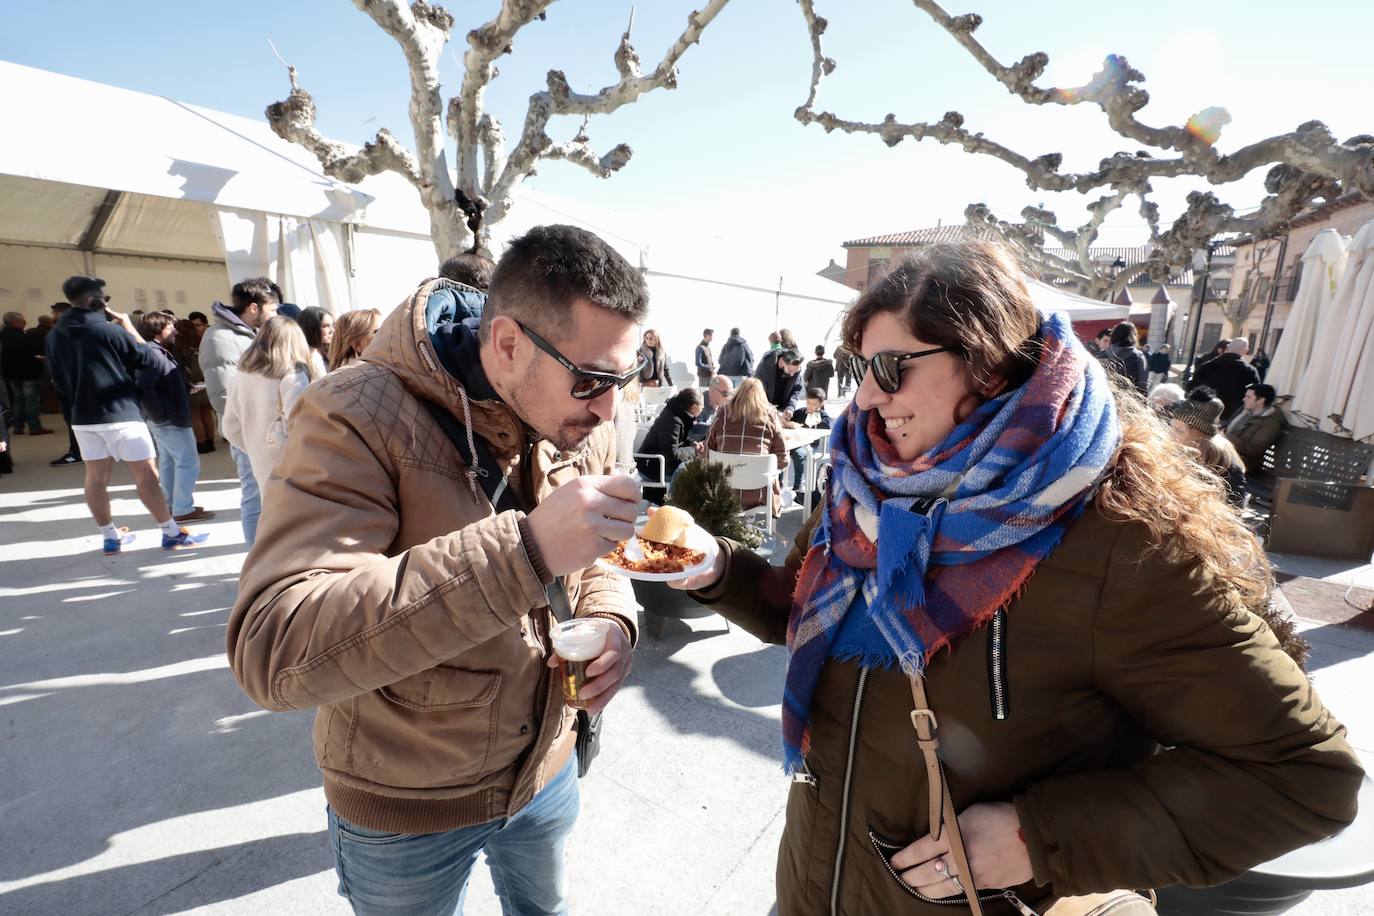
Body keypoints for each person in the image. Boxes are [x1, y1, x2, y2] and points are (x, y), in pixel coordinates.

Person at [669, 240, 1360, 915]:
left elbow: (1303, 777)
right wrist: (715, 567)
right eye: (861, 368)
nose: (868, 399)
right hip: (817, 885)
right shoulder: (862, 488)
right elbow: (802, 614)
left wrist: (1040, 839)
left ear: (987, 366)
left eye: (892, 366)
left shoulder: (1120, 544)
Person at [227, 224, 643, 916]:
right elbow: (275, 647)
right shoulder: (354, 412)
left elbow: (600, 555)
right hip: (405, 807)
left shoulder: (577, 421)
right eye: (592, 381)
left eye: (623, 381)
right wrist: (525, 552)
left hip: (547, 769)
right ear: (508, 344)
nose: (608, 409)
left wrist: (612, 618)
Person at [46, 277, 208, 554]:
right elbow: (148, 359)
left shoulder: (54, 335)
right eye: (105, 300)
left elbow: (57, 380)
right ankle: (170, 532)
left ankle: (109, 536)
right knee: (146, 474)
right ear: (93, 301)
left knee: (95, 477)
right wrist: (128, 326)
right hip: (121, 413)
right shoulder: (108, 331)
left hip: (83, 417)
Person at [202, 278, 278, 546]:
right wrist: (251, 437)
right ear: (254, 308)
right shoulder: (220, 338)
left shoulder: (248, 335)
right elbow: (224, 397)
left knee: (269, 500)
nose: (275, 316)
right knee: (254, 500)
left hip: (264, 433)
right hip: (248, 436)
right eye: (272, 309)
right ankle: (256, 564)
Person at [221, 317, 318, 492]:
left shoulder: (238, 378)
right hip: (294, 462)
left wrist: (256, 445)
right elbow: (300, 424)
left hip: (261, 461)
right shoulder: (293, 376)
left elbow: (229, 427)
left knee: (272, 512)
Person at [136, 312, 214, 522]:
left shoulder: (157, 352)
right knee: (188, 462)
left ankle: (173, 504)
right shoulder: (153, 354)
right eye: (170, 326)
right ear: (157, 330)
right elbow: (144, 387)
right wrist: (160, 414)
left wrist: (187, 387)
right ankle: (182, 508)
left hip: (166, 417)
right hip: (169, 419)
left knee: (170, 462)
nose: (175, 330)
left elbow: (159, 383)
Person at [705, 377, 788, 516]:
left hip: (724, 490)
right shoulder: (770, 416)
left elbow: (708, 449)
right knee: (772, 475)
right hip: (760, 494)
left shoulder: (723, 413)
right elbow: (783, 458)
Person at [1169, 387, 1248, 506]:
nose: (1170, 434)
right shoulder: (1181, 448)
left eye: (1179, 430)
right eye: (1171, 427)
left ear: (1199, 435)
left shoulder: (1221, 460)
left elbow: (1233, 506)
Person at [637, 387, 704, 502]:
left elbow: (678, 439)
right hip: (653, 467)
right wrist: (694, 450)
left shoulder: (677, 413)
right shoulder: (673, 419)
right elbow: (671, 453)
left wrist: (692, 443)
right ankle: (675, 504)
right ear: (693, 407)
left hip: (657, 463)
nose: (702, 409)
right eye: (701, 407)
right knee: (693, 472)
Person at [168, 318, 217, 454]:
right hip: (206, 381)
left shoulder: (178, 345)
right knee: (207, 413)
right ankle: (211, 442)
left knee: (195, 415)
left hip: (192, 384)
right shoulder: (201, 341)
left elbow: (178, 366)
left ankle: (201, 444)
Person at [2, 310, 52, 436]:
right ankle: (34, 427)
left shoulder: (3, 337)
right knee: (31, 400)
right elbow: (35, 353)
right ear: (15, 322)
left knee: (17, 400)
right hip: (29, 373)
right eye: (23, 321)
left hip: (11, 374)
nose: (25, 323)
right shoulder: (25, 337)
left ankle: (18, 427)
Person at [1188, 336, 1259, 421]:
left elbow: (1191, 387)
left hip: (1200, 414)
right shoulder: (1250, 371)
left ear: (1228, 347)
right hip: (1230, 417)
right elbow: (1255, 395)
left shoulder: (1206, 366)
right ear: (1245, 351)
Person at [1225, 383, 1286, 473]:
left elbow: (1255, 449)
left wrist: (1226, 438)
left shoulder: (1271, 423)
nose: (1244, 399)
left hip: (1244, 463)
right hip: (1228, 453)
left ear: (1261, 400)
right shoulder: (1244, 410)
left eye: (1248, 397)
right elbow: (1227, 425)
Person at [786, 387, 832, 494]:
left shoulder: (823, 416)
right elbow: (789, 422)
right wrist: (791, 424)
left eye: (814, 404)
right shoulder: (801, 412)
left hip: (810, 445)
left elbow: (826, 428)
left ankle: (798, 485)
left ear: (821, 404)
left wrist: (818, 421)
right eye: (808, 403)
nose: (810, 406)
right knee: (781, 451)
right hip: (795, 442)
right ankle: (778, 482)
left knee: (798, 454)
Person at [753, 346, 805, 417]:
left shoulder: (795, 367)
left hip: (782, 410)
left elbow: (796, 389)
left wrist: (790, 407)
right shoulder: (765, 367)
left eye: (796, 371)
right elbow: (758, 394)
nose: (792, 374)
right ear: (783, 361)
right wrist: (774, 412)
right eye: (790, 371)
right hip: (763, 410)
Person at [1100, 321, 1148, 393]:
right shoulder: (1139, 357)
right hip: (1129, 400)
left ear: (1114, 335)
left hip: (1104, 399)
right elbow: (1142, 385)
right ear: (1134, 336)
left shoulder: (1101, 356)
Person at [295, 306, 334, 376]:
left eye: (332, 325)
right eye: (325, 326)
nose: (332, 330)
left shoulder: (326, 351)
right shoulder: (302, 358)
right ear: (311, 328)